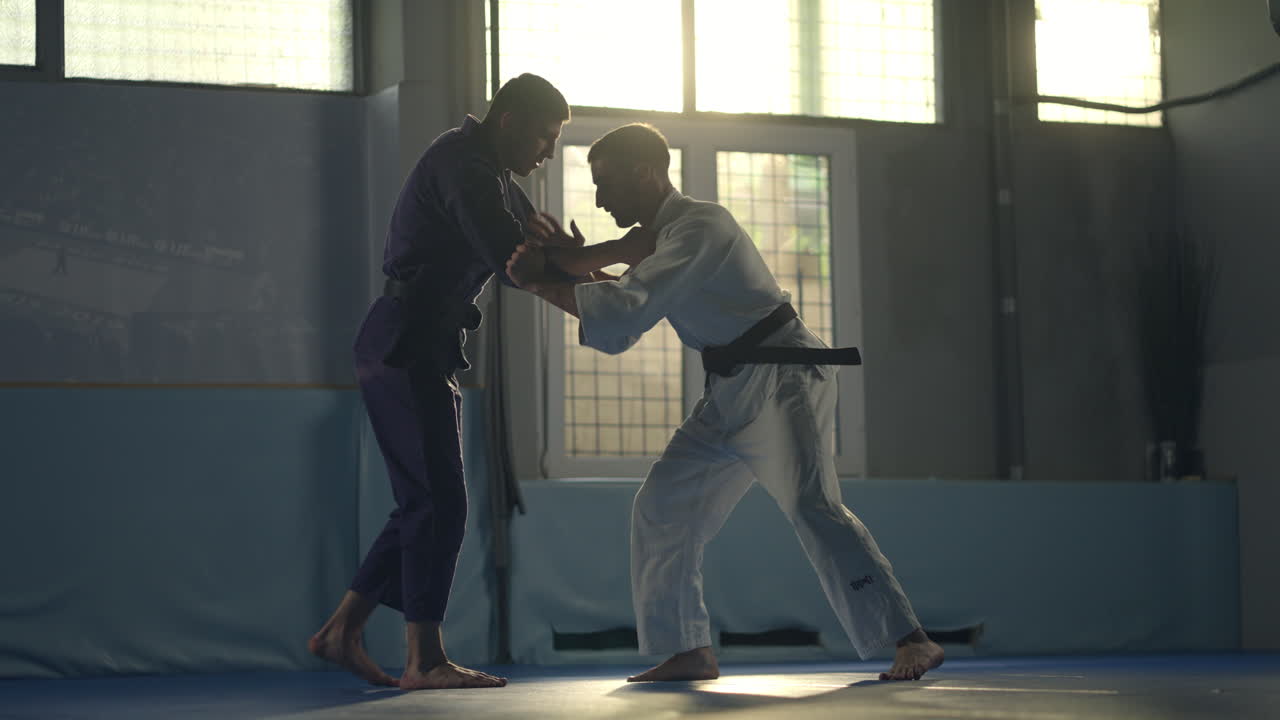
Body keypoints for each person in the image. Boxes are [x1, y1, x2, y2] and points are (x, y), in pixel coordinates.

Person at [507, 123, 945, 683]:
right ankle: (687, 648)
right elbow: (634, 296)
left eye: (606, 182)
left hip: (783, 379)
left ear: (645, 171)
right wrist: (572, 267)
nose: (598, 199)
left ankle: (911, 639)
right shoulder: (667, 238)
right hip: (729, 389)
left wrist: (541, 283)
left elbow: (626, 309)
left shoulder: (700, 225)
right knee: (662, 507)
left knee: (813, 507)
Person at [306, 73, 644, 691]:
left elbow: (538, 258)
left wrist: (601, 278)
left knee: (422, 502)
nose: (546, 153)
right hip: (405, 342)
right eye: (544, 138)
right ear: (509, 120)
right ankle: (423, 659)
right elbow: (514, 264)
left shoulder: (494, 179)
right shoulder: (464, 166)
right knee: (442, 502)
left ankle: (340, 631)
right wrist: (616, 253)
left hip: (416, 345)